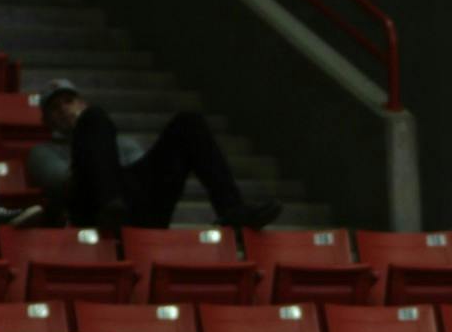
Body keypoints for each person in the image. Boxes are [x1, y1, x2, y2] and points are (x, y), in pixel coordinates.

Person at [25, 80, 281, 232]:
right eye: (55, 108)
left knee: (188, 122)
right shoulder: (42, 152)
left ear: (81, 103)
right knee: (95, 120)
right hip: (94, 209)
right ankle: (111, 206)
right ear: (46, 120)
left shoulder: (121, 142)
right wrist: (90, 144)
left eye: (69, 101)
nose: (64, 110)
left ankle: (232, 211)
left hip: (137, 207)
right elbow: (63, 185)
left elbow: (144, 177)